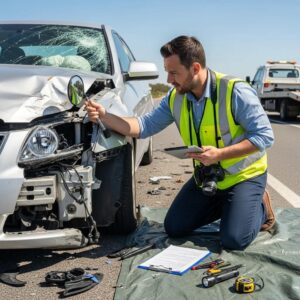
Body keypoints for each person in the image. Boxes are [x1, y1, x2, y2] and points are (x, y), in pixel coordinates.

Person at [86, 35, 275, 250]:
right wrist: (105, 116)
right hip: (208, 177)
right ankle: (231, 208)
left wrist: (220, 155)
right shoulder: (176, 97)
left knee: (234, 240)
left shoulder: (235, 91)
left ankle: (259, 205)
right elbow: (144, 126)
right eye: (167, 72)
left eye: (174, 73)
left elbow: (264, 136)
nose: (169, 80)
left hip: (244, 176)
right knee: (174, 227)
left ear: (195, 68)